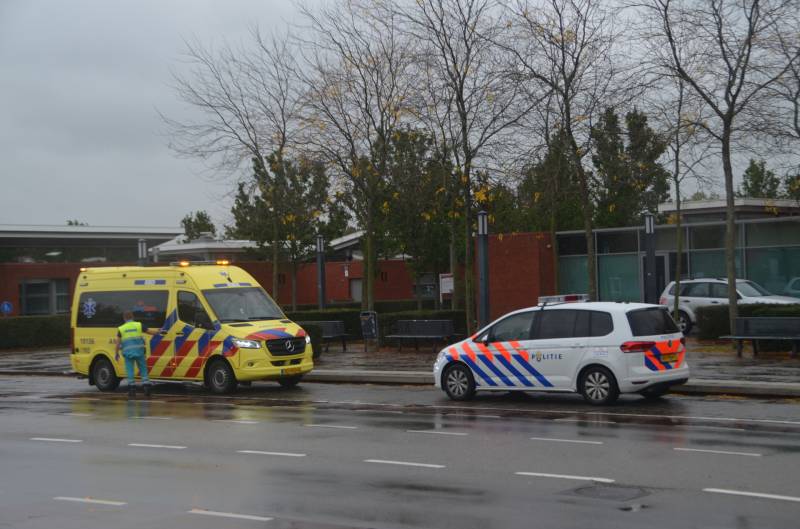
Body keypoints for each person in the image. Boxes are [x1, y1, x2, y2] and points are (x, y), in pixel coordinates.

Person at [115, 311, 157, 398]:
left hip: (128, 353)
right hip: (139, 352)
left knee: (130, 370)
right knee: (143, 369)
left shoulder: (121, 328)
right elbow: (150, 331)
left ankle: (132, 390)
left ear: (124, 318)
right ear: (132, 317)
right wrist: (160, 332)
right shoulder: (139, 325)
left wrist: (116, 353)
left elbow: (117, 343)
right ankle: (146, 388)